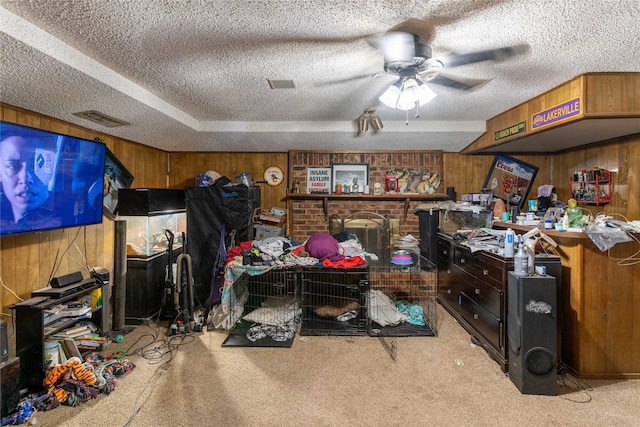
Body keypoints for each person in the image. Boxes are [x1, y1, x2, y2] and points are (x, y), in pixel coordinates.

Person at [0, 134, 59, 233]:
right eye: (13, 165)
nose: (26, 178)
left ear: (51, 170)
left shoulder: (68, 216)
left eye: (38, 164)